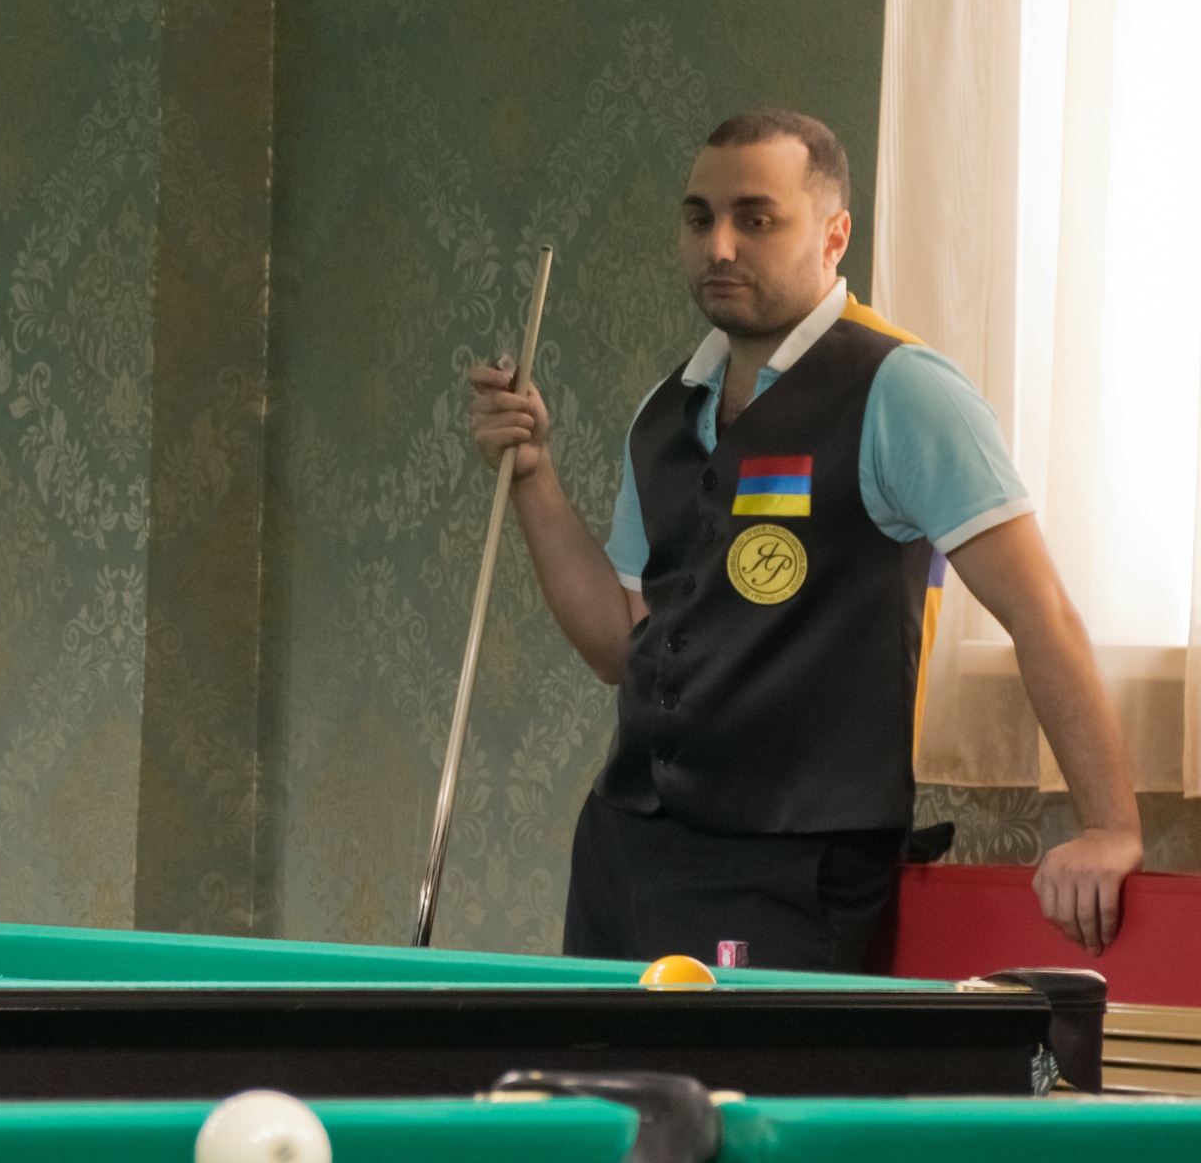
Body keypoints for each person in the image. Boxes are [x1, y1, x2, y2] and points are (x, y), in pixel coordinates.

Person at [469, 109, 1140, 969]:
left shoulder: (902, 389)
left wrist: (1108, 825)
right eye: (699, 218)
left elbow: (1037, 608)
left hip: (791, 865)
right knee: (599, 1064)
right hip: (623, 852)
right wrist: (534, 476)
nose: (719, 246)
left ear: (834, 236)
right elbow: (618, 642)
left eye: (756, 219)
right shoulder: (665, 412)